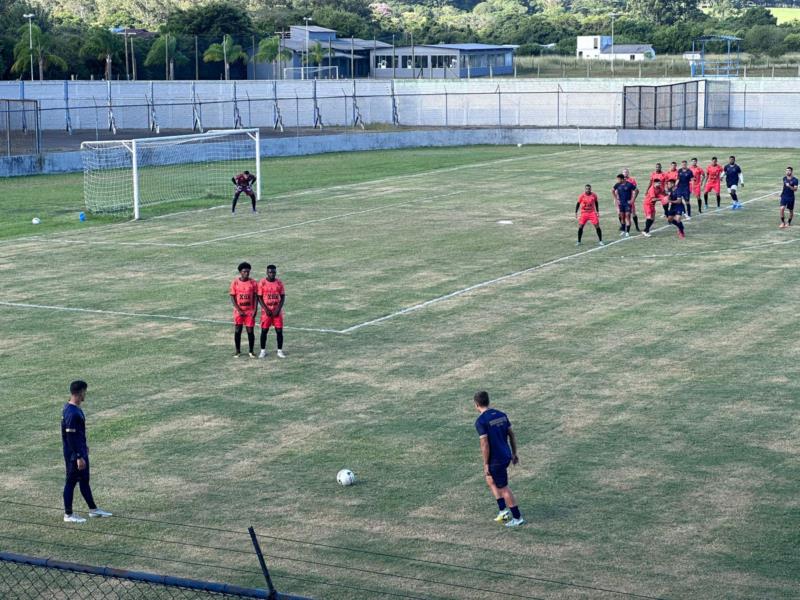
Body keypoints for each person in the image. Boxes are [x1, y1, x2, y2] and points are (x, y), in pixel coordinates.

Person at [62, 380, 112, 523]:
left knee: (84, 480)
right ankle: (68, 514)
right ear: (79, 393)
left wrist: (84, 446)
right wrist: (78, 456)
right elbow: (70, 437)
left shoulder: (73, 408)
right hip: (74, 455)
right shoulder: (71, 412)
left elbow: (77, 434)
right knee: (70, 482)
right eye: (84, 392)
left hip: (80, 451)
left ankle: (93, 510)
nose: (85, 395)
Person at [473, 391, 524, 528]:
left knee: (503, 488)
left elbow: (485, 444)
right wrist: (514, 453)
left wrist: (485, 464)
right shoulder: (501, 415)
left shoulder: (481, 421)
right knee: (490, 480)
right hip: (506, 455)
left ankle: (517, 517)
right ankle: (503, 511)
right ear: (488, 401)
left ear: (476, 404)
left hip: (496, 460)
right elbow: (511, 435)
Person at [230, 262, 259, 358]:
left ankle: (251, 351)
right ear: (240, 272)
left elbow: (256, 297)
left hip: (249, 311)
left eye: (248, 271)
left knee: (250, 330)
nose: (246, 273)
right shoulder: (235, 282)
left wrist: (255, 309)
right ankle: (237, 351)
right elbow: (233, 297)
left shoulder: (253, 283)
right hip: (239, 311)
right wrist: (239, 310)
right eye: (244, 271)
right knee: (238, 330)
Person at [257, 265, 286, 359]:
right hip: (266, 312)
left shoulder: (279, 283)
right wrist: (266, 309)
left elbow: (282, 297)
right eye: (270, 272)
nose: (272, 274)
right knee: (264, 331)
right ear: (267, 272)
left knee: (279, 331)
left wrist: (278, 309)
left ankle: (280, 351)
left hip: (277, 312)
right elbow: (259, 297)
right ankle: (263, 351)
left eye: (273, 272)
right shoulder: (262, 283)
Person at [613, 173, 636, 238]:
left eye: (618, 179)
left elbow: (637, 190)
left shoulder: (629, 184)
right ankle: (623, 230)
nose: (618, 180)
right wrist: (616, 199)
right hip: (621, 204)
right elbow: (612, 190)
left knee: (628, 216)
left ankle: (627, 232)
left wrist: (632, 199)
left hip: (627, 204)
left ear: (622, 179)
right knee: (622, 217)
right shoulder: (618, 184)